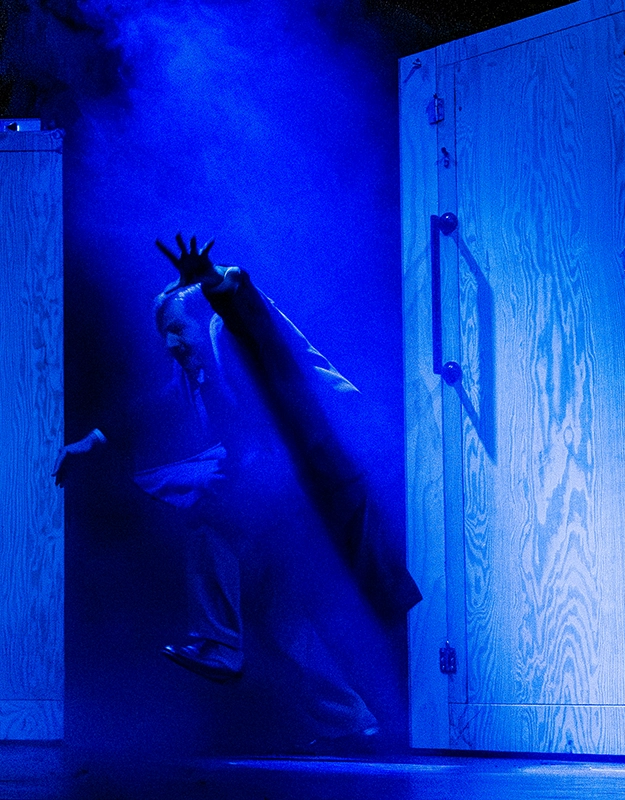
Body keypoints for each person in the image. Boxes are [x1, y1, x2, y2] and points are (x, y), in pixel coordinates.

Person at [55, 234, 421, 751]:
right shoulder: (196, 369)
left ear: (205, 319)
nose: (170, 344)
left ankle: (219, 643)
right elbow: (158, 402)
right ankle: (349, 720)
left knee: (209, 510)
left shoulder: (236, 338)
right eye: (163, 335)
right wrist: (96, 438)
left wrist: (213, 282)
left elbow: (249, 311)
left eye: (177, 329)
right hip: (274, 482)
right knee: (280, 613)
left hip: (316, 473)